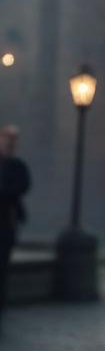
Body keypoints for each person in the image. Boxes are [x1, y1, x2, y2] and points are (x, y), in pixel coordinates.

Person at [0, 124, 31, 333]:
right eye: (7, 138)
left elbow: (23, 186)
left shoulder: (17, 166)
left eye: (14, 139)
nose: (11, 142)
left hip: (6, 223)